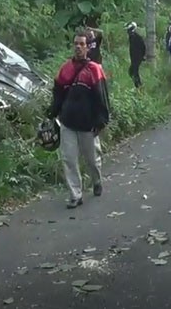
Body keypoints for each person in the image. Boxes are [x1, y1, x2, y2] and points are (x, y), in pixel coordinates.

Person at [47, 29, 110, 208]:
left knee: (92, 160)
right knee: (69, 159)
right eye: (76, 44)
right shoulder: (65, 69)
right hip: (67, 122)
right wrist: (52, 113)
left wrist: (101, 120)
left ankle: (96, 180)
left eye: (82, 44)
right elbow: (57, 94)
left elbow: (102, 97)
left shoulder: (94, 70)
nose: (78, 47)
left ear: (88, 47)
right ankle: (75, 194)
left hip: (88, 125)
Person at [125, 22, 146, 88]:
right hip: (133, 58)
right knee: (132, 72)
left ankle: (139, 86)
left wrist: (142, 56)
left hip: (137, 57)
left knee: (133, 71)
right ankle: (138, 85)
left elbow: (143, 47)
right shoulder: (131, 37)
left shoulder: (137, 37)